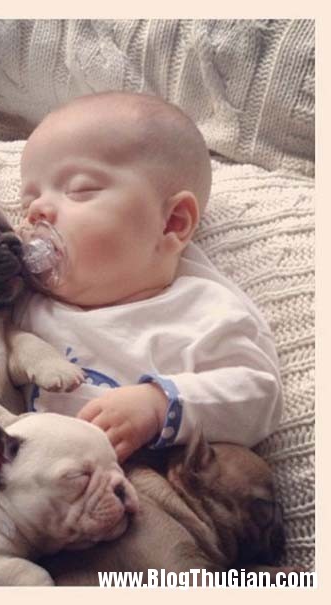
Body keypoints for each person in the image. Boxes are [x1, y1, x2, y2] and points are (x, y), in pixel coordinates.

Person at [15, 91, 282, 462]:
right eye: (27, 203)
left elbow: (258, 396)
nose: (36, 213)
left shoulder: (201, 311)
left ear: (172, 222)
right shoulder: (26, 308)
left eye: (79, 190)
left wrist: (158, 405)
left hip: (142, 487)